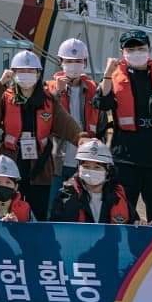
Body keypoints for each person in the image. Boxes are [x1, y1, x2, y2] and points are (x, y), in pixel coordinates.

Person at [0, 49, 83, 220]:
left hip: (40, 166)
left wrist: (82, 139)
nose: (26, 74)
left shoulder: (48, 100)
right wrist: (1, 83)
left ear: (38, 73)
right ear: (14, 73)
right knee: (8, 210)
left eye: (30, 70)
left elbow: (66, 124)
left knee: (38, 213)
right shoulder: (5, 98)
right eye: (21, 71)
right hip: (11, 162)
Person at [93, 30, 152, 226]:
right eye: (130, 49)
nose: (136, 53)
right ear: (122, 52)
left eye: (141, 48)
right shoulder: (114, 77)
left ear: (149, 49)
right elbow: (101, 103)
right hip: (125, 156)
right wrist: (107, 74)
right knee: (120, 213)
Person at [46, 38, 101, 213]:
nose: (74, 65)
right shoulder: (48, 89)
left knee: (80, 211)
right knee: (52, 209)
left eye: (78, 61)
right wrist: (57, 92)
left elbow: (101, 126)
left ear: (85, 63)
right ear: (60, 61)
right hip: (56, 162)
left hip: (84, 163)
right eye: (69, 61)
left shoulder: (94, 90)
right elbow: (44, 118)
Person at [50, 139, 138, 224]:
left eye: (97, 167)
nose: (91, 171)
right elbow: (57, 226)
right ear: (79, 169)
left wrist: (139, 224)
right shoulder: (66, 195)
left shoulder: (118, 195)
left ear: (108, 171)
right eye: (86, 166)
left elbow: (132, 222)